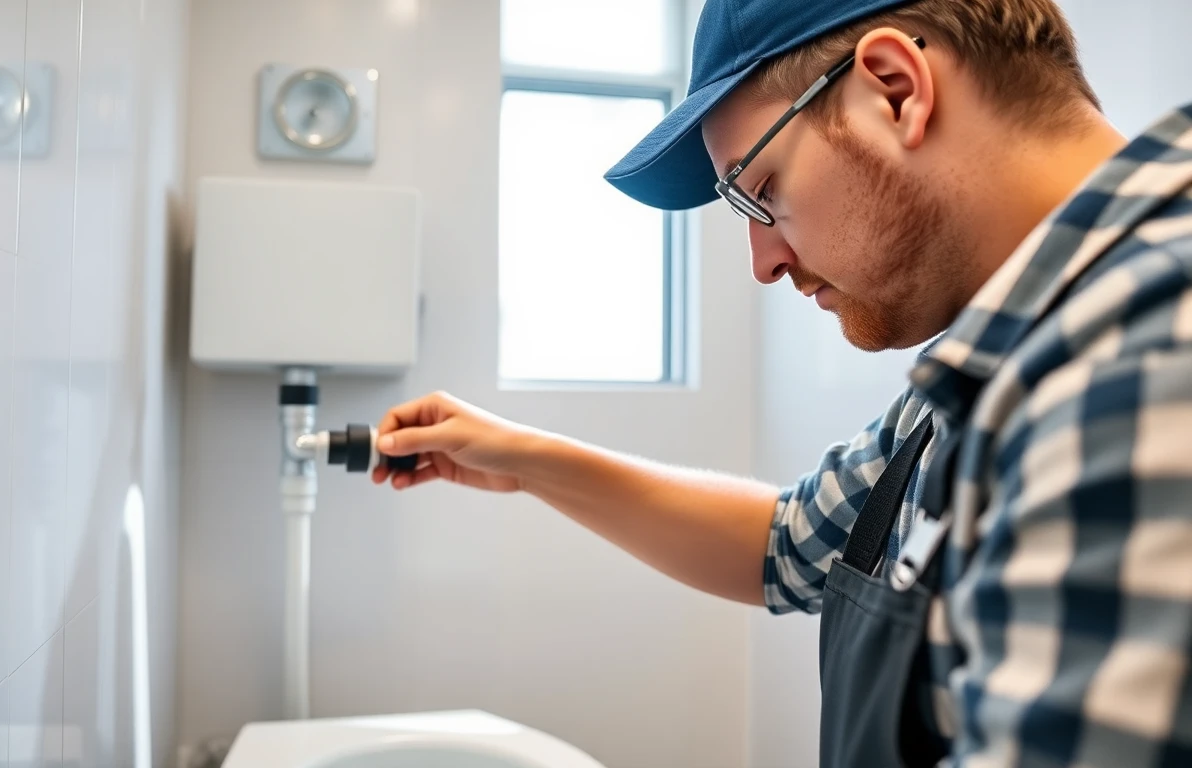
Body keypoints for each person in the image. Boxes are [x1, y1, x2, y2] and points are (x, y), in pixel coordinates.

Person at [372, 0, 1192, 764]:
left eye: (762, 193)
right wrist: (519, 456)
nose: (765, 263)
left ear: (896, 90)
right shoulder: (998, 358)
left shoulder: (1141, 355)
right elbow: (791, 542)